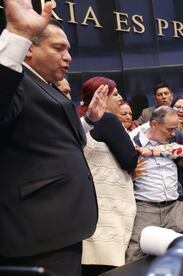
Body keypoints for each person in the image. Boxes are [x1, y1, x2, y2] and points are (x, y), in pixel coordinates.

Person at [0, 1, 107, 275]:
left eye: (69, 49)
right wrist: (17, 34)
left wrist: (89, 121)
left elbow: (52, 139)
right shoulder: (16, 80)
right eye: (58, 48)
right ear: (29, 51)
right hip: (38, 234)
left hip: (60, 229)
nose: (68, 56)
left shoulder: (46, 87)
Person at [78, 76, 142, 274]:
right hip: (110, 211)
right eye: (115, 94)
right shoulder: (107, 120)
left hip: (89, 211)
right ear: (102, 97)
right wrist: (137, 153)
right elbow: (130, 160)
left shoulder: (80, 122)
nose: (121, 98)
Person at [126, 106, 183, 262]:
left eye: (175, 129)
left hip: (174, 206)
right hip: (144, 207)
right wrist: (130, 175)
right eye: (170, 129)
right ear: (154, 124)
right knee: (133, 255)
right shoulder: (132, 141)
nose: (173, 133)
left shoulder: (174, 138)